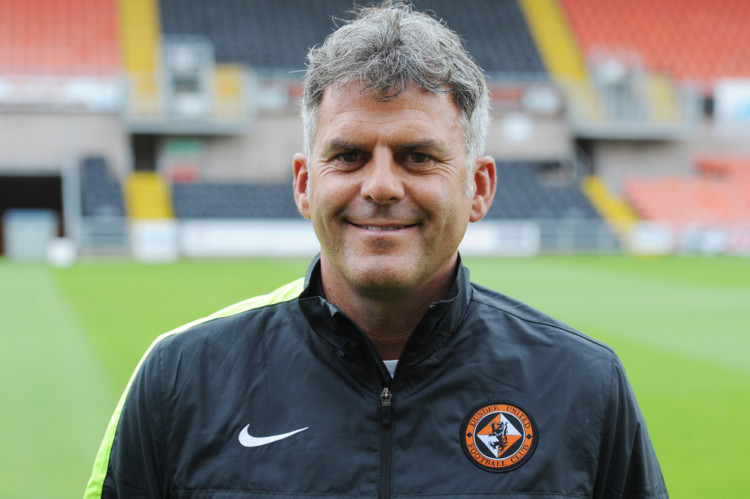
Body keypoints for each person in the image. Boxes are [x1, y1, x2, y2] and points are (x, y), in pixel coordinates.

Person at [85, 3, 668, 498]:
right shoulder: (180, 376)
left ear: (479, 187)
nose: (382, 186)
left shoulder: (584, 384)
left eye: (418, 155)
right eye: (348, 156)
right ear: (304, 184)